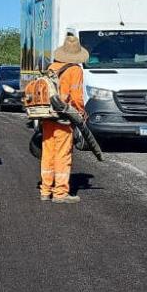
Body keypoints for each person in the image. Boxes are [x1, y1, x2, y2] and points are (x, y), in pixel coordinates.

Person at [40, 34, 89, 204]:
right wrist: (81, 113)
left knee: (48, 152)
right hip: (63, 117)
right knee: (62, 154)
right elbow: (76, 98)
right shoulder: (75, 70)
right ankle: (60, 193)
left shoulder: (52, 66)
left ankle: (45, 190)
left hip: (47, 115)